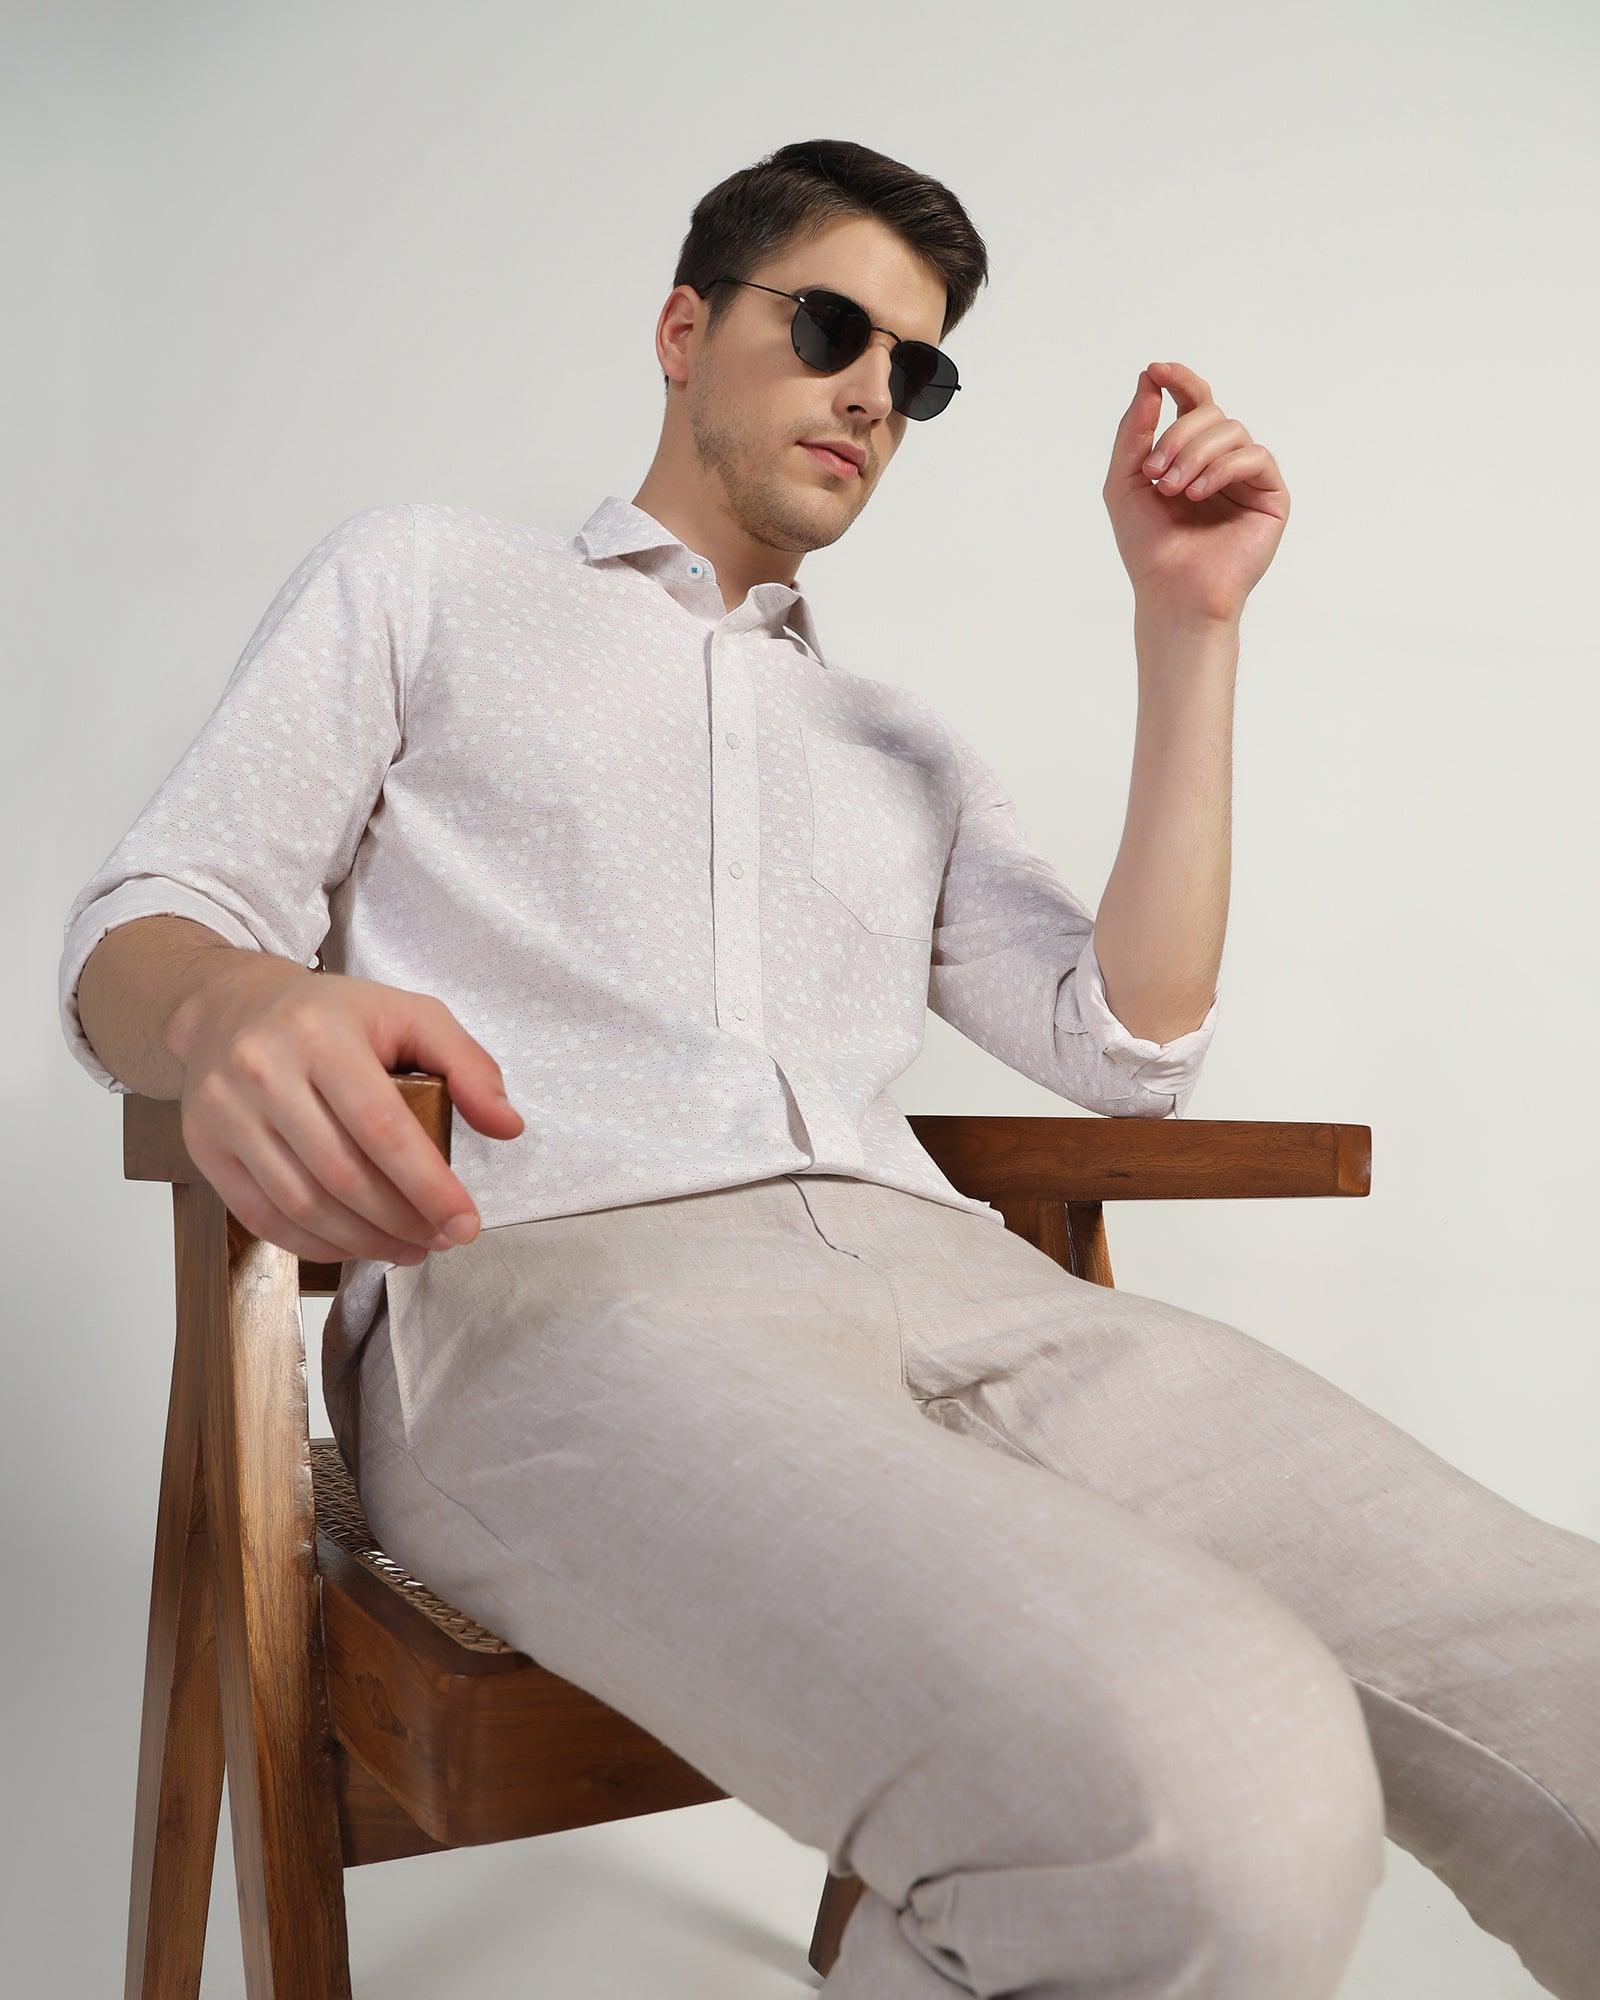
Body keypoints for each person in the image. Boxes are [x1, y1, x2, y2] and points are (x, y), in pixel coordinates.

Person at [57, 138, 1599, 1998]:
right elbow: (146, 922)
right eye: (829, 327)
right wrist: (234, 1009)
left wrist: (1188, 628)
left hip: (963, 1284)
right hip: (564, 1298)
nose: (873, 388)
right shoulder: (427, 581)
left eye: (917, 369)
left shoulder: (901, 737)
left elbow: (1128, 1043)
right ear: (683, 330)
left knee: (1575, 1667)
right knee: (1222, 1795)